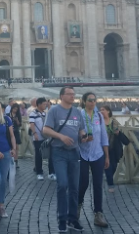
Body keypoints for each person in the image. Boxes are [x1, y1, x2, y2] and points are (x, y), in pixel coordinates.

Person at [43, 87, 87, 233]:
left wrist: (83, 136)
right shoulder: (54, 111)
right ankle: (62, 219)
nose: (72, 96)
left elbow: (81, 129)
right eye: (69, 94)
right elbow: (46, 130)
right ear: (62, 96)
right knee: (62, 184)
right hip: (59, 152)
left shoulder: (77, 112)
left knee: (74, 188)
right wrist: (61, 136)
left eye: (74, 94)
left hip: (74, 152)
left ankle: (72, 219)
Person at [77, 92, 109, 228]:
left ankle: (98, 213)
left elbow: (104, 137)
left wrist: (106, 156)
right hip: (82, 153)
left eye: (94, 100)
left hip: (98, 154)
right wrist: (82, 139)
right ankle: (77, 206)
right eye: (90, 100)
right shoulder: (78, 115)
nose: (92, 102)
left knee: (98, 184)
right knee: (83, 182)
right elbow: (74, 133)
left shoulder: (99, 116)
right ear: (84, 101)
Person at [100, 105, 125, 194]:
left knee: (114, 165)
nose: (101, 111)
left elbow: (118, 129)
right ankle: (110, 184)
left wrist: (117, 131)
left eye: (103, 110)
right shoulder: (99, 121)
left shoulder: (113, 121)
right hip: (103, 147)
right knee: (108, 166)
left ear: (108, 111)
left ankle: (108, 177)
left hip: (113, 146)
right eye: (100, 110)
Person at [29, 97, 55, 180]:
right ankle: (39, 172)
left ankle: (51, 172)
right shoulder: (33, 113)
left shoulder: (45, 113)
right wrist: (34, 133)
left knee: (51, 154)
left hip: (46, 137)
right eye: (44, 104)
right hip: (38, 137)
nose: (45, 106)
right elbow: (31, 124)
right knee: (39, 155)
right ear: (39, 104)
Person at [7, 103, 22, 169]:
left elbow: (19, 124)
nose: (15, 110)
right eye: (14, 109)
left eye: (16, 109)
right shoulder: (7, 115)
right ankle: (10, 160)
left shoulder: (18, 115)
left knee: (16, 147)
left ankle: (16, 161)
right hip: (8, 132)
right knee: (9, 146)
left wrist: (17, 120)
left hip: (15, 132)